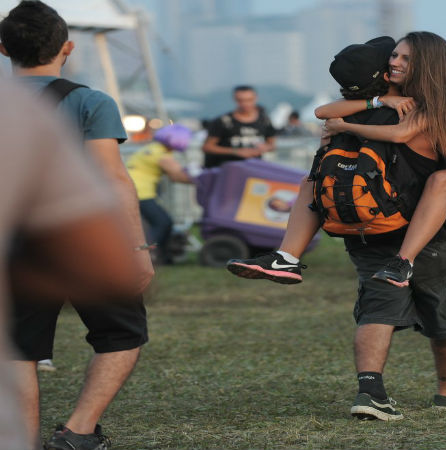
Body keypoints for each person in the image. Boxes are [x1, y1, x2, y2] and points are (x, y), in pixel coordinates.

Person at [231, 32, 446, 420]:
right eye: (393, 57)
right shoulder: (420, 109)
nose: (396, 63)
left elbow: (329, 115)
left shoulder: (372, 112)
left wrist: (351, 123)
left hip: (368, 228)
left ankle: (370, 392)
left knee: (378, 308)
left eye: (405, 58)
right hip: (432, 233)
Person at [0, 2, 152, 448]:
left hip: (13, 240)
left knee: (17, 349)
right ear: (67, 47)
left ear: (3, 48)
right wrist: (138, 250)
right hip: (78, 236)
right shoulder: (90, 101)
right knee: (123, 333)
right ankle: (78, 432)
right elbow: (112, 178)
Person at [126, 124, 193, 264]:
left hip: (133, 190)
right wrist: (201, 179)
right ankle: (146, 256)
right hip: (140, 192)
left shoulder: (154, 149)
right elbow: (177, 175)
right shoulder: (160, 154)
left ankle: (161, 256)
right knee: (162, 223)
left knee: (161, 223)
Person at [201, 85, 277, 168]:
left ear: (256, 98)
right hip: (226, 169)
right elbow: (207, 147)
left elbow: (272, 144)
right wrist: (236, 152)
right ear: (235, 100)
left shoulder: (264, 120)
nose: (245, 104)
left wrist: (265, 147)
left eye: (249, 100)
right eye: (241, 100)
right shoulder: (223, 121)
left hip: (253, 169)